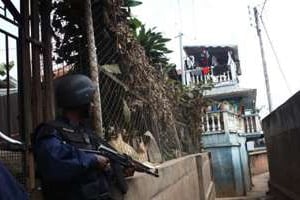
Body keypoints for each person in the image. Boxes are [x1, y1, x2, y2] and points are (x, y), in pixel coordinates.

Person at [33, 74, 132, 200]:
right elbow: (54, 162)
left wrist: (120, 170)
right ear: (80, 101)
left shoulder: (86, 133)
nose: (92, 105)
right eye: (89, 101)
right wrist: (92, 160)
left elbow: (98, 171)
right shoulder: (51, 131)